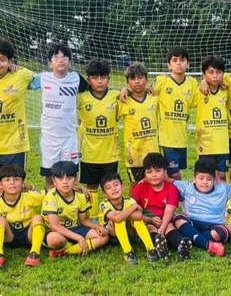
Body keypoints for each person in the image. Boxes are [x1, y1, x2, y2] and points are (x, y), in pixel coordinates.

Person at [0, 36, 35, 193]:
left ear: (10, 62)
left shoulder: (21, 75)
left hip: (14, 145)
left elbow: (37, 78)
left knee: (15, 183)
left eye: (2, 60)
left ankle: (19, 206)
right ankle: (1, 208)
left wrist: (18, 68)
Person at [31, 44, 89, 190]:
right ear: (50, 64)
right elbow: (21, 84)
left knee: (69, 176)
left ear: (70, 62)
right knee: (50, 177)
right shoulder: (43, 78)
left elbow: (94, 89)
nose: (60, 60)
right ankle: (50, 203)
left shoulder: (76, 78)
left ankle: (68, 203)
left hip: (69, 137)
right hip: (49, 137)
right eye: (56, 58)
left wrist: (123, 91)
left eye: (64, 57)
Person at [77, 59, 120, 221]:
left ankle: (107, 217)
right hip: (88, 153)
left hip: (110, 153)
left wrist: (125, 90)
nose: (99, 81)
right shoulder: (82, 97)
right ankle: (94, 217)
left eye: (103, 77)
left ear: (109, 78)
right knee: (92, 186)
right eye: (95, 78)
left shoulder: (116, 95)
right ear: (89, 80)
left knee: (110, 185)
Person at [171, 159, 231, 257]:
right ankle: (208, 245)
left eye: (209, 179)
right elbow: (168, 181)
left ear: (214, 180)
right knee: (178, 219)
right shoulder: (186, 187)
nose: (205, 182)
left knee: (221, 232)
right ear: (194, 179)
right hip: (193, 223)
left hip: (214, 225)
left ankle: (192, 238)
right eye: (201, 178)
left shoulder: (223, 189)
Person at [149, 46, 198, 180]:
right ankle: (174, 193)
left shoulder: (193, 83)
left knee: (175, 172)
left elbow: (194, 103)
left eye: (182, 60)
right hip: (166, 138)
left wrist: (205, 82)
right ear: (169, 65)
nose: (178, 63)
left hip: (181, 138)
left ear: (188, 64)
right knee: (172, 173)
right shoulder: (162, 80)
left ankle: (175, 193)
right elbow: (146, 94)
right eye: (175, 60)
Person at [131, 152, 190, 260]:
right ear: (145, 174)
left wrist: (163, 227)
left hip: (165, 219)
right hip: (147, 220)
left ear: (165, 172)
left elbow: (169, 211)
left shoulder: (171, 189)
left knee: (170, 227)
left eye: (158, 171)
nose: (154, 175)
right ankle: (161, 248)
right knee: (151, 228)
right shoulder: (140, 188)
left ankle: (181, 245)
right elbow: (131, 208)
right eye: (149, 172)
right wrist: (149, 219)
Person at [42, 161, 109, 257]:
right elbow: (55, 227)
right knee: (54, 240)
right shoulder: (51, 197)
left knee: (104, 237)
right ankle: (72, 244)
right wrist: (79, 238)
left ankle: (66, 251)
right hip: (56, 232)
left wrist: (97, 227)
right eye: (60, 178)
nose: (65, 182)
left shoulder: (80, 196)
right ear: (54, 181)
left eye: (69, 178)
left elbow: (83, 220)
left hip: (74, 228)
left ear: (76, 180)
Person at [0, 165, 45, 268]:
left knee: (38, 218)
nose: (12, 183)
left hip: (29, 235)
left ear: (23, 183)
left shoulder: (30, 196)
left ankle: (34, 253)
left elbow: (51, 194)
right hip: (9, 236)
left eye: (16, 179)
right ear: (0, 184)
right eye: (7, 180)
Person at [99, 173, 159, 265]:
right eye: (108, 188)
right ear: (104, 194)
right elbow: (117, 219)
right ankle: (128, 252)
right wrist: (133, 208)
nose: (113, 189)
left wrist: (120, 214)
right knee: (119, 222)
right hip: (113, 237)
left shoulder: (130, 201)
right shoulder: (104, 205)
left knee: (136, 220)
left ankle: (151, 249)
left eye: (116, 185)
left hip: (131, 234)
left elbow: (139, 216)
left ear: (123, 187)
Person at [117, 63, 160, 191]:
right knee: (135, 184)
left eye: (140, 78)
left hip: (152, 150)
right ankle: (132, 203)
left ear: (146, 80)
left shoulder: (154, 98)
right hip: (134, 153)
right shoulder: (123, 100)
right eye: (132, 79)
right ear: (127, 82)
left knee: (153, 183)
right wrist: (123, 90)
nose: (137, 82)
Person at [195, 55, 229, 183]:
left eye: (218, 72)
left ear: (223, 74)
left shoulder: (226, 91)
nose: (215, 76)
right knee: (205, 175)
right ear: (204, 74)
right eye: (211, 72)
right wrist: (203, 82)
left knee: (221, 175)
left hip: (222, 143)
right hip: (205, 143)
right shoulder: (198, 91)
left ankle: (221, 196)